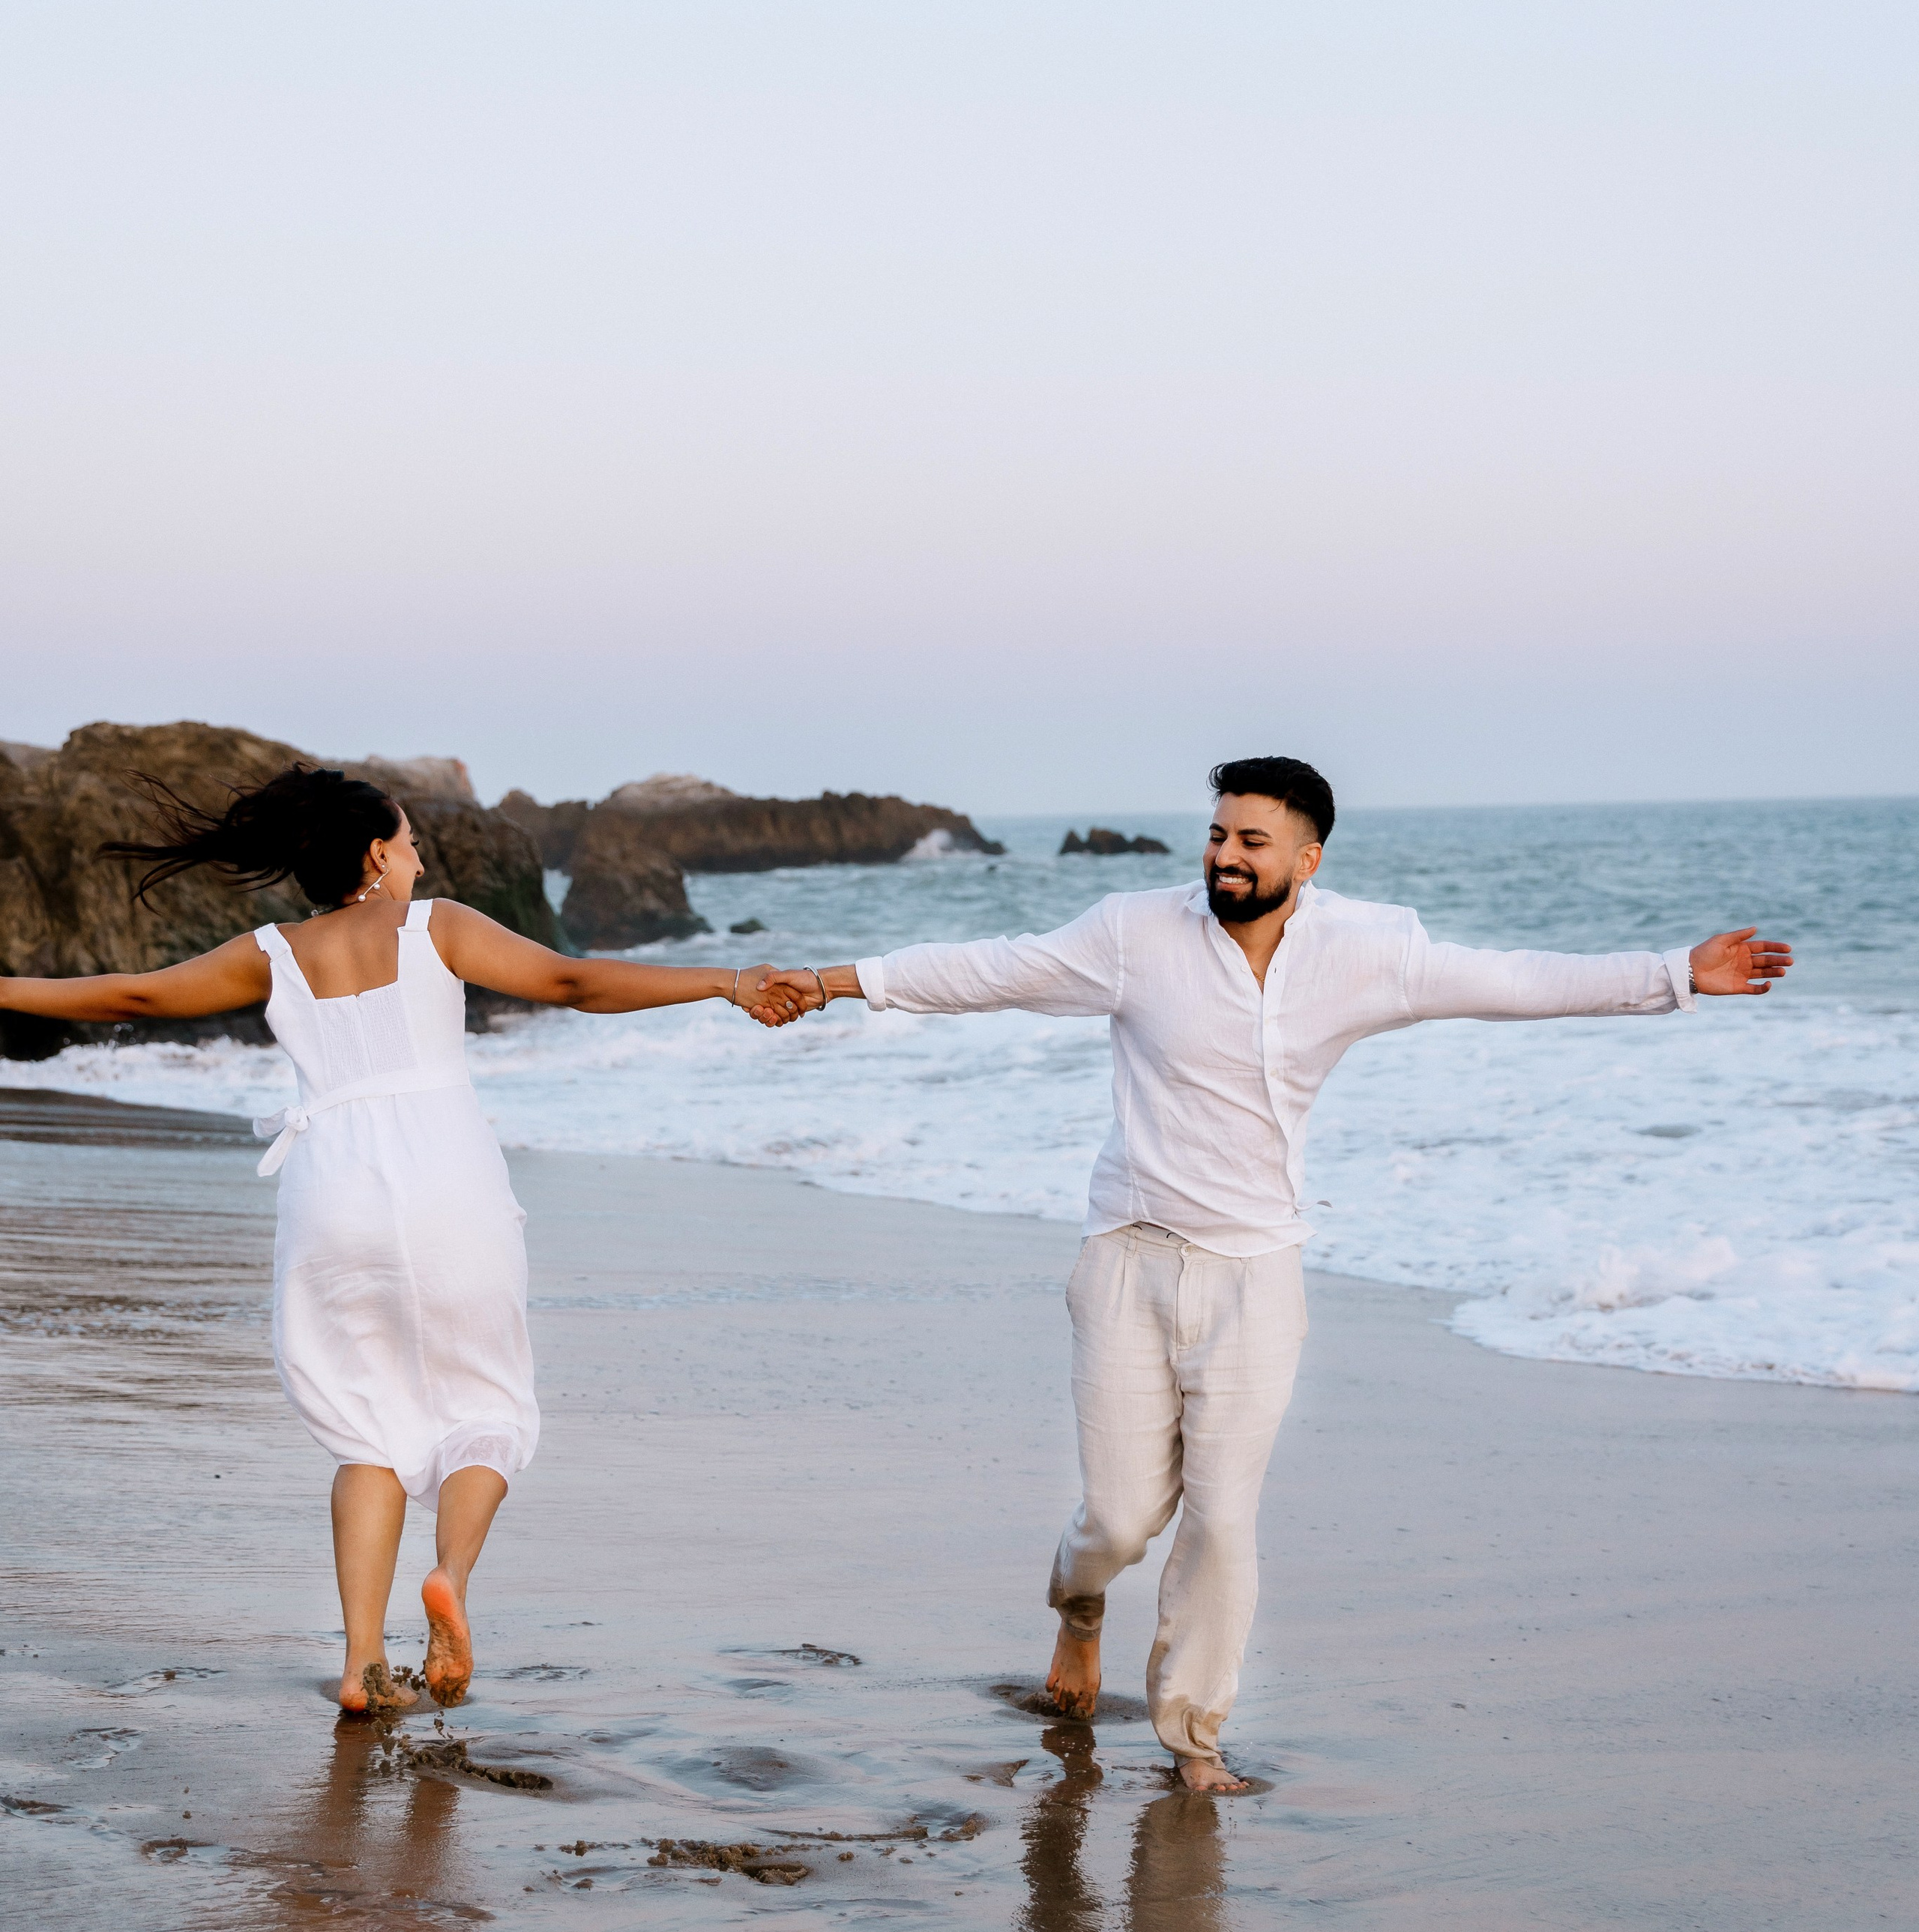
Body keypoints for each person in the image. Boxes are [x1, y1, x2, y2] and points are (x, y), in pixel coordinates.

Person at [769, 753, 1792, 1793]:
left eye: (1252, 841)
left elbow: (1515, 979)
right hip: (1128, 1258)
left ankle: (1192, 1737)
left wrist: (1673, 973)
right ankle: (1081, 1612)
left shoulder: (1370, 949)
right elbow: (993, 967)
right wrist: (833, 979)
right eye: (1217, 834)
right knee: (1119, 1519)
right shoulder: (1136, 934)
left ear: (1308, 857)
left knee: (1221, 1515)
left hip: (1258, 1276)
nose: (1225, 856)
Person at [0, 764, 798, 1714]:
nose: (420, 859)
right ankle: (451, 1579)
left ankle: (362, 1663)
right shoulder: (439, 927)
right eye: (412, 842)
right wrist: (726, 979)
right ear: (377, 853)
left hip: (332, 1195)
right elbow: (571, 980)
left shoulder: (275, 952)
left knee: (365, 1430)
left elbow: (129, 997)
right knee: (488, 1407)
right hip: (449, 1186)